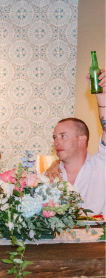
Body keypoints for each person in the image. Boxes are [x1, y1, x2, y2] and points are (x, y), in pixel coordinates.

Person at [45, 71, 105, 216]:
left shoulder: (101, 164)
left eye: (63, 136)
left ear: (82, 139)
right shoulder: (49, 176)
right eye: (54, 137)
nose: (56, 142)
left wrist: (102, 97)